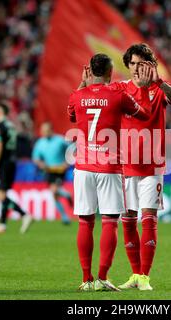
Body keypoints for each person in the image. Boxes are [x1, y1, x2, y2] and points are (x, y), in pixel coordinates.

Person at [68, 53, 152, 292]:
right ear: (108, 72)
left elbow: (71, 115)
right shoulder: (118, 95)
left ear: (90, 72)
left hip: (83, 166)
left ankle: (86, 279)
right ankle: (103, 278)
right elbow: (145, 115)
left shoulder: (77, 95)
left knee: (85, 222)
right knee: (109, 222)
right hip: (109, 167)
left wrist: (81, 86)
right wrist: (144, 90)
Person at [114, 44, 171, 290]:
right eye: (132, 63)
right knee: (127, 219)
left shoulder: (159, 88)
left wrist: (161, 82)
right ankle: (134, 274)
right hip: (125, 164)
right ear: (127, 65)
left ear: (150, 66)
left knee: (148, 219)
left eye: (141, 63)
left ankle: (145, 276)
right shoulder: (121, 89)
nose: (136, 68)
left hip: (153, 165)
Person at [0, 102, 33, 234]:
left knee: (1, 195)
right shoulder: (11, 125)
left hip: (4, 163)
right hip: (12, 161)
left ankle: (24, 215)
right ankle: (2, 224)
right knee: (3, 193)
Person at [32, 122, 73, 225]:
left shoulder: (60, 140)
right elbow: (35, 157)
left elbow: (71, 150)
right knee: (54, 194)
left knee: (54, 190)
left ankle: (66, 198)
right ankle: (64, 216)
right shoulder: (40, 143)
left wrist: (67, 162)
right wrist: (40, 163)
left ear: (51, 130)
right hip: (49, 170)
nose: (44, 133)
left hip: (59, 170)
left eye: (46, 130)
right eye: (42, 131)